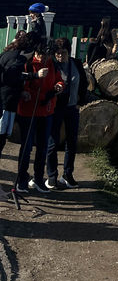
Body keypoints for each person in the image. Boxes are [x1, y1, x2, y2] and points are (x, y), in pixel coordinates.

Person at [16, 40, 64, 194]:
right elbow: (23, 86)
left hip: (47, 112)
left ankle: (38, 179)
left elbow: (59, 79)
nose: (44, 59)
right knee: (27, 147)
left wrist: (59, 86)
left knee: (43, 148)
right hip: (29, 112)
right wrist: (32, 92)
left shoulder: (51, 63)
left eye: (47, 56)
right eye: (41, 55)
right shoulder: (28, 65)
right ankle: (21, 180)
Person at [0, 32, 39, 194]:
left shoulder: (7, 53)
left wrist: (21, 89)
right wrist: (33, 75)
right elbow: (10, 77)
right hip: (5, 105)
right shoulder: (19, 59)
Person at [46, 38, 87, 189]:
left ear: (69, 52)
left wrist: (80, 101)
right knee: (52, 143)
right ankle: (51, 176)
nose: (60, 56)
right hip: (56, 108)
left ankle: (67, 174)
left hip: (72, 108)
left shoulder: (76, 64)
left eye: (63, 53)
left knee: (72, 142)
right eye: (57, 53)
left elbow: (83, 83)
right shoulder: (52, 65)